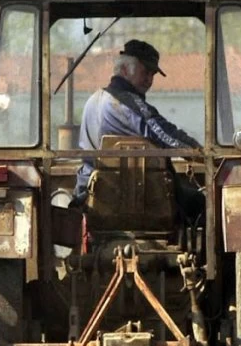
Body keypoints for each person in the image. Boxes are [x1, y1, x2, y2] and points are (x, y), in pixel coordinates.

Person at [73, 39, 203, 220]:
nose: (149, 80)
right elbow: (165, 134)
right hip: (127, 193)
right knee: (200, 201)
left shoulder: (94, 99)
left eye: (153, 74)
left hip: (92, 192)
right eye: (145, 72)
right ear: (125, 70)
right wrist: (201, 154)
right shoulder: (127, 103)